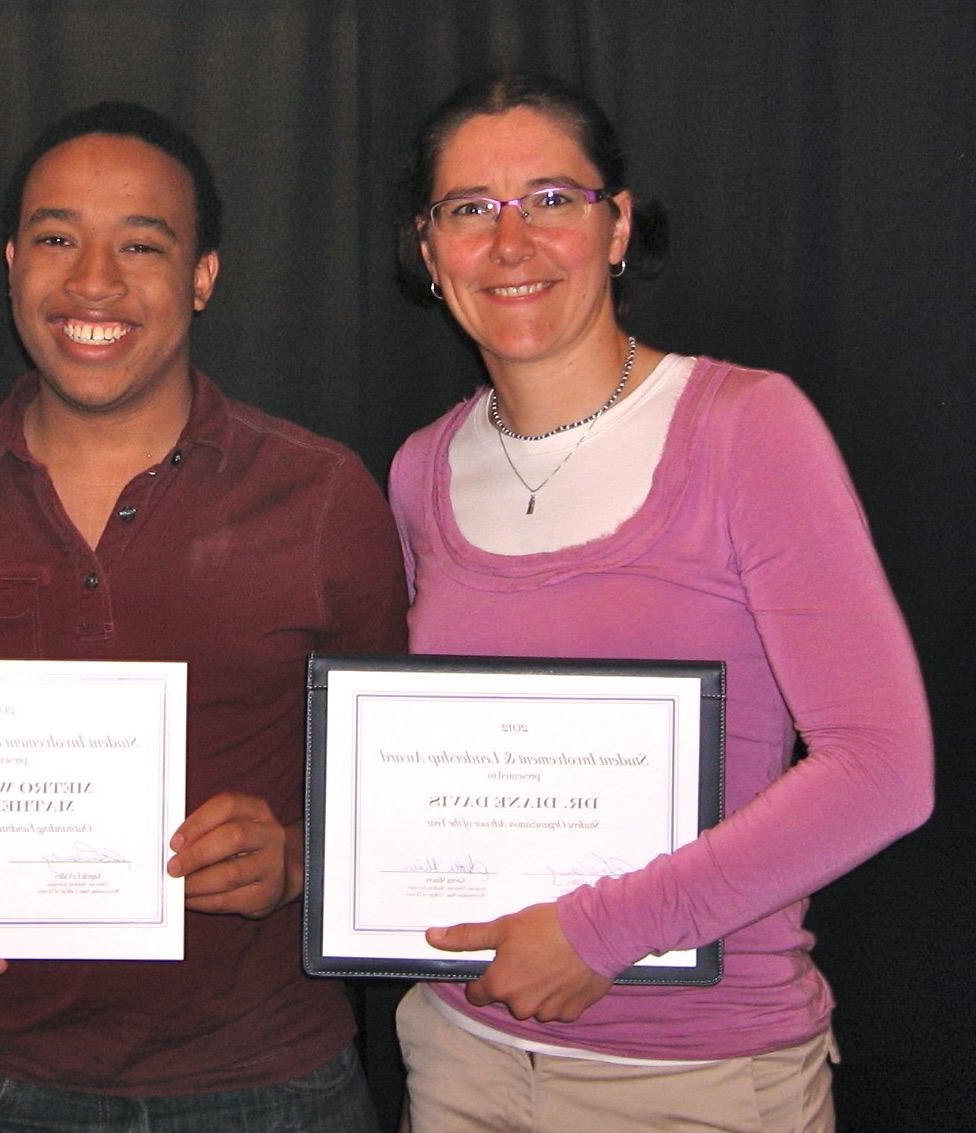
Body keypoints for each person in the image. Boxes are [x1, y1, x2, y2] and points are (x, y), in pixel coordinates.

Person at [0, 102, 407, 1132]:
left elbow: (404, 801)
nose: (92, 280)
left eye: (140, 244)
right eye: (56, 238)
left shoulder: (323, 496)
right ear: (10, 262)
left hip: (272, 1079)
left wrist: (294, 854)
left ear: (201, 274)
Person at [387, 73, 933, 1131]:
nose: (510, 242)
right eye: (468, 209)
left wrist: (599, 930)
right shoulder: (418, 470)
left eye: (550, 198)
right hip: (460, 1059)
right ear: (427, 249)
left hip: (700, 1083)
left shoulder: (745, 428)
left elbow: (883, 769)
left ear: (616, 223)